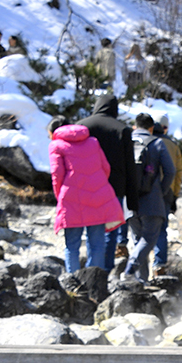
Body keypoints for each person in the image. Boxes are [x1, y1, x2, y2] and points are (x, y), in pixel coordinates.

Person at [48, 117, 123, 273]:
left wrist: (60, 196)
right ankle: (95, 283)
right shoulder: (93, 142)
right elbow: (106, 167)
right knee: (97, 244)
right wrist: (96, 184)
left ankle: (74, 285)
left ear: (53, 132)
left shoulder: (56, 145)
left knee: (72, 246)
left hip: (71, 198)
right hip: (98, 195)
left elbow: (57, 174)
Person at [75, 93, 135, 269]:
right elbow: (129, 165)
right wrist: (133, 198)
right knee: (110, 231)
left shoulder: (81, 126)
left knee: (91, 230)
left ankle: (91, 269)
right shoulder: (122, 129)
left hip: (86, 186)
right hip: (114, 187)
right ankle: (106, 270)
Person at [126, 113, 176, 283]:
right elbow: (171, 171)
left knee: (137, 239)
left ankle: (142, 281)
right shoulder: (157, 143)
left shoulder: (126, 142)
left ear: (135, 126)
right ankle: (130, 269)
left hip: (130, 200)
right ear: (150, 128)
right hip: (151, 199)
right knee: (148, 239)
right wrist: (160, 192)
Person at [151, 116, 182, 276]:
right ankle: (159, 265)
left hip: (144, 191)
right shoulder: (173, 146)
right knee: (161, 229)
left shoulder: (145, 142)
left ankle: (138, 266)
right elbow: (177, 173)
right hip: (166, 192)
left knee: (140, 229)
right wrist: (175, 195)